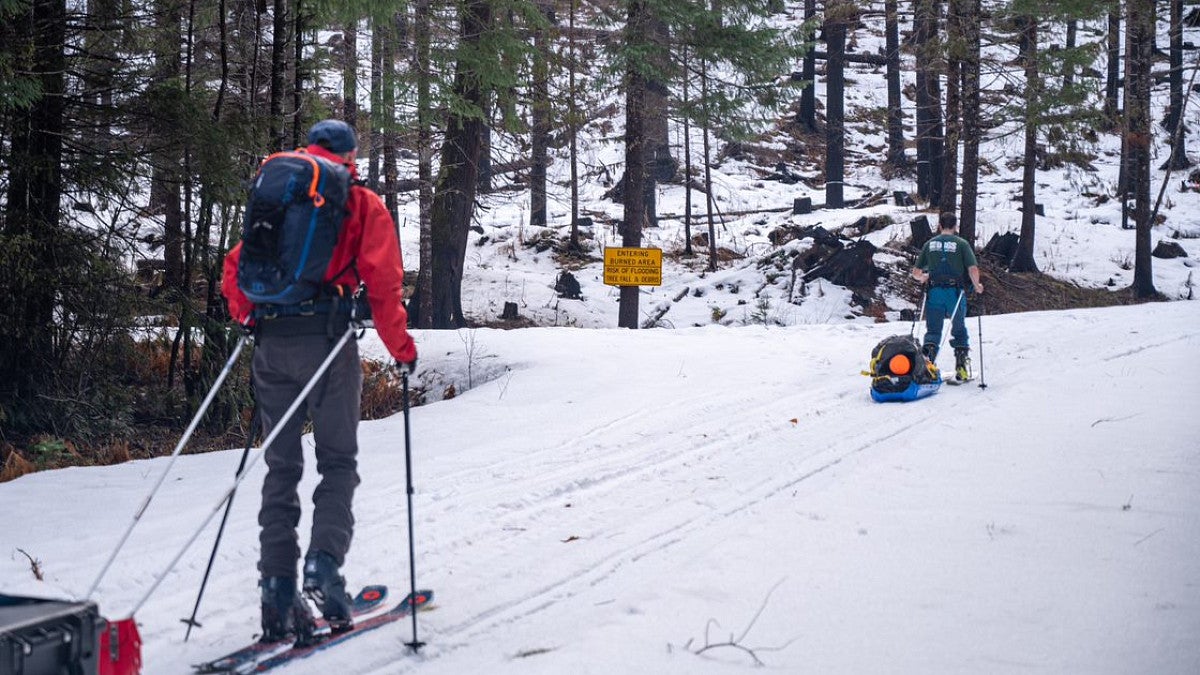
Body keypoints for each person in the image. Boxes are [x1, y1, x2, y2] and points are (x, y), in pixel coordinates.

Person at [221, 119, 418, 643]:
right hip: (329, 344)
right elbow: (384, 285)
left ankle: (276, 591)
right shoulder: (360, 202)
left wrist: (249, 317)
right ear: (351, 155)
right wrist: (402, 350)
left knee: (280, 467)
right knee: (337, 462)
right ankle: (323, 570)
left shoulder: (277, 190)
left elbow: (235, 268)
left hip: (271, 344)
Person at [911, 212, 984, 381]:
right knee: (959, 329)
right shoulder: (961, 244)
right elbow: (972, 268)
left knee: (933, 331)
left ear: (939, 226)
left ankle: (927, 368)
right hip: (955, 293)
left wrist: (923, 278)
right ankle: (961, 368)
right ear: (955, 226)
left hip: (934, 292)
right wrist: (977, 285)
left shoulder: (929, 244)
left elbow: (916, 272)